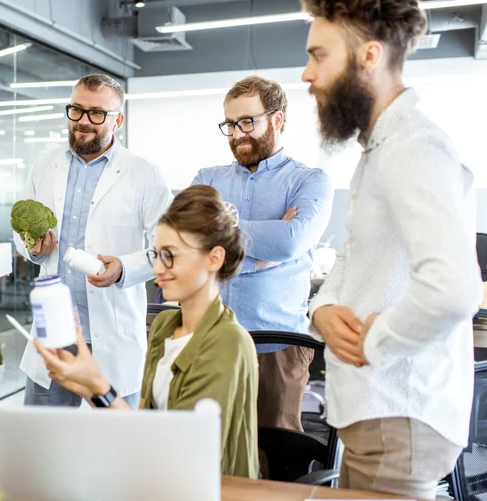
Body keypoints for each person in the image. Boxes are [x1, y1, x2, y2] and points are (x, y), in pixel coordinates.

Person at [301, 1, 482, 497]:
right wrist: (322, 309)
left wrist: (372, 342)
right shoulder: (381, 149)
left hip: (397, 412)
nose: (307, 73)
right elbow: (353, 259)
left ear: (369, 56)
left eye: (319, 55)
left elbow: (454, 288)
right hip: (377, 415)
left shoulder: (413, 147)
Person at [35, 184, 259, 478]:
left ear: (214, 258)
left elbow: (182, 460)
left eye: (171, 256)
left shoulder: (228, 343)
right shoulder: (166, 326)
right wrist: (86, 385)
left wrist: (99, 384)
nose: (157, 269)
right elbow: (142, 428)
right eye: (156, 255)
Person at [15, 74, 173, 409]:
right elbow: (20, 232)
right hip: (53, 333)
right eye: (77, 110)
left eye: (97, 114)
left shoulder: (144, 173)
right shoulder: (45, 165)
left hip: (113, 339)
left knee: (114, 448)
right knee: (42, 445)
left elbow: (167, 249)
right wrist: (30, 247)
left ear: (118, 119)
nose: (84, 121)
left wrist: (123, 269)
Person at [192, 76, 333, 431]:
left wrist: (224, 244)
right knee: (214, 451)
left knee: (277, 453)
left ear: (277, 120)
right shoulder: (207, 178)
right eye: (230, 124)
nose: (237, 133)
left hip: (279, 345)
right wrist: (264, 255)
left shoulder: (309, 180)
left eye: (247, 122)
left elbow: (290, 241)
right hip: (214, 341)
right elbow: (188, 239)